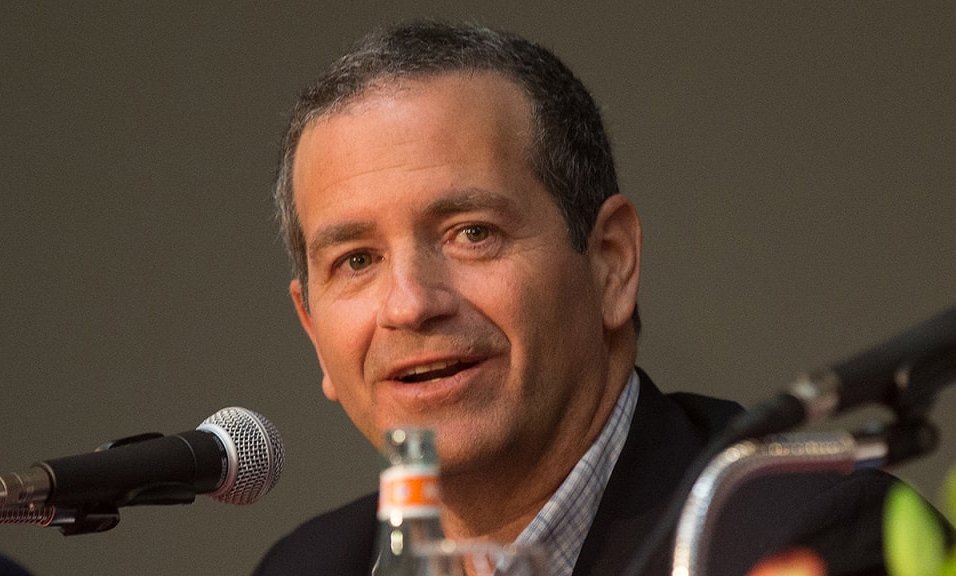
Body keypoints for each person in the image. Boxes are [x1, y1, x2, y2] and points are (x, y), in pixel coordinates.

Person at [253, 21, 903, 576]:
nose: (410, 304)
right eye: (357, 260)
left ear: (611, 265)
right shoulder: (308, 565)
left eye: (472, 233)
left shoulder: (803, 540)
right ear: (312, 328)